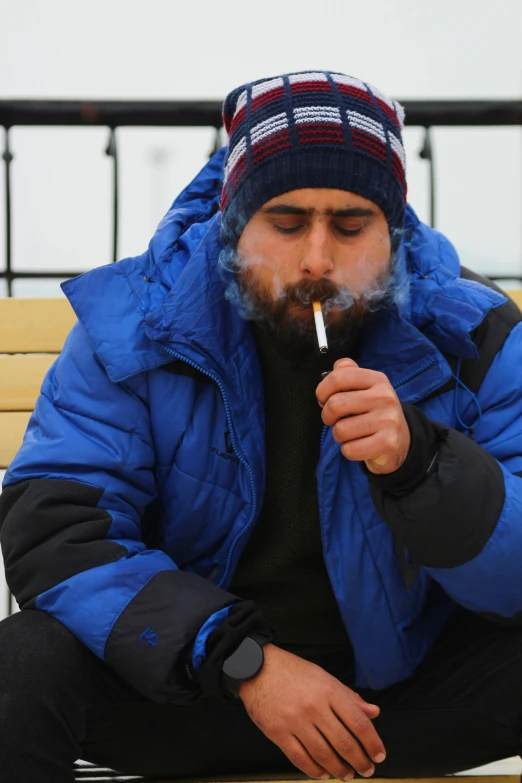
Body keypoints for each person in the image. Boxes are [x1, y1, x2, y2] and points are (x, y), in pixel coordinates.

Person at [1, 70, 522, 783]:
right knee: (21, 662)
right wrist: (243, 662)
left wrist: (424, 467)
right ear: (234, 222)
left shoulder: (475, 334)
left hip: (391, 707)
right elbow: (59, 533)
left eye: (349, 225)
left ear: (393, 232)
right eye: (284, 222)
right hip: (190, 686)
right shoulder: (135, 327)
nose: (316, 258)